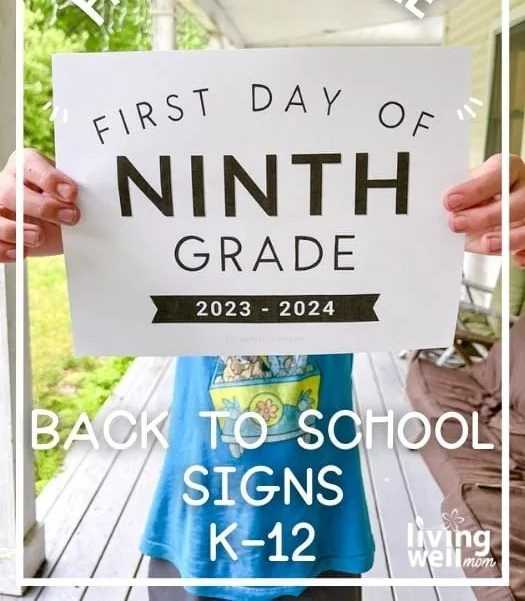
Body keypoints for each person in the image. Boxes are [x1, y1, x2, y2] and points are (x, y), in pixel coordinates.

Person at [1, 149, 524, 601]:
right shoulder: (181, 240)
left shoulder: (361, 244)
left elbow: (419, 228)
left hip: (322, 543)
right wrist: (68, 221)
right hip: (192, 536)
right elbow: (123, 230)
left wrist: (500, 221)